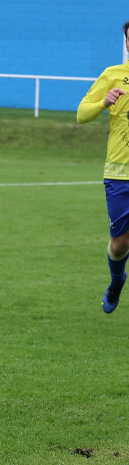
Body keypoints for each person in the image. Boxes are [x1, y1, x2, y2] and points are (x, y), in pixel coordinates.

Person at [77, 19, 129, 313]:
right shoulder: (112, 75)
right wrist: (103, 103)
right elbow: (81, 115)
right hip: (119, 174)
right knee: (120, 245)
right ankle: (117, 280)